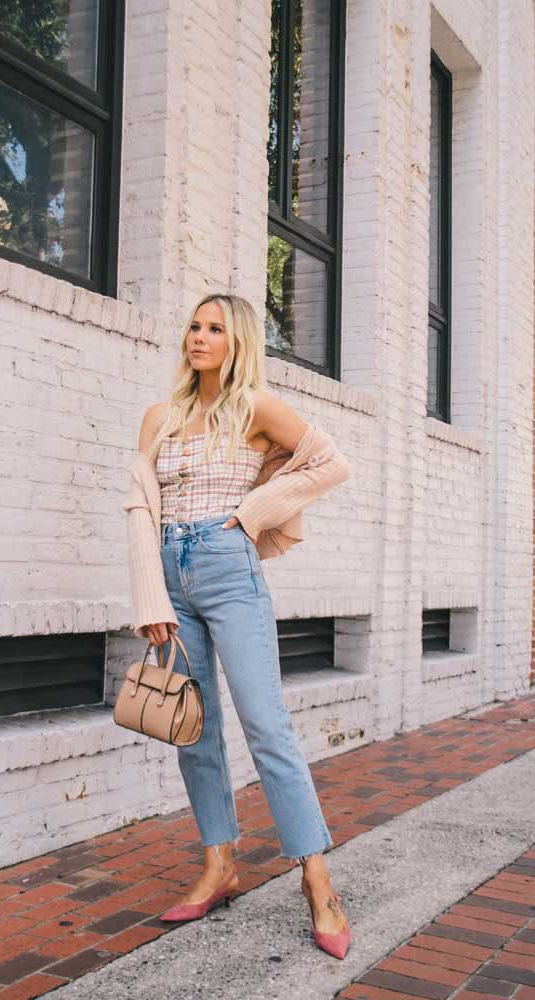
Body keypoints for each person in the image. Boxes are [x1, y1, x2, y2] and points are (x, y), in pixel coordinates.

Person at [123, 292, 351, 959]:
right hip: (172, 575)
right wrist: (150, 600)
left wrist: (252, 511)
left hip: (228, 570)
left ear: (237, 342)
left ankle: (317, 882)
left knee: (265, 724)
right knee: (194, 727)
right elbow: (141, 505)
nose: (198, 337)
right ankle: (218, 864)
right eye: (193, 325)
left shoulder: (253, 408)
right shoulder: (159, 417)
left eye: (214, 329)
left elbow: (330, 462)